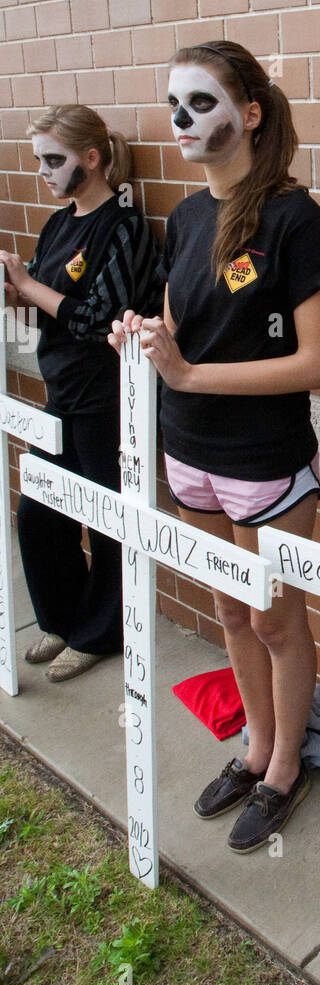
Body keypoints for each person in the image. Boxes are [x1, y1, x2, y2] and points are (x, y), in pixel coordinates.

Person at [110, 41, 320, 854]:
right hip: (188, 451)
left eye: (200, 102)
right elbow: (181, 332)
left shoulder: (293, 217)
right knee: (230, 612)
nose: (180, 119)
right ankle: (252, 749)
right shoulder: (185, 215)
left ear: (248, 113)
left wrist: (192, 375)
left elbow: (319, 363)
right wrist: (144, 340)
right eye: (173, 103)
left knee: (276, 619)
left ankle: (285, 767)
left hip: (267, 461)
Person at [0, 105, 159, 681]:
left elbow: (100, 317)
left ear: (91, 159)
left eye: (53, 159)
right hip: (61, 392)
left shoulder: (123, 226)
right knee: (39, 515)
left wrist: (31, 287)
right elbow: (48, 313)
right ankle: (62, 620)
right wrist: (18, 292)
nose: (42, 170)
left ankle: (101, 633)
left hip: (105, 400)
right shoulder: (58, 221)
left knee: (108, 522)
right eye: (39, 159)